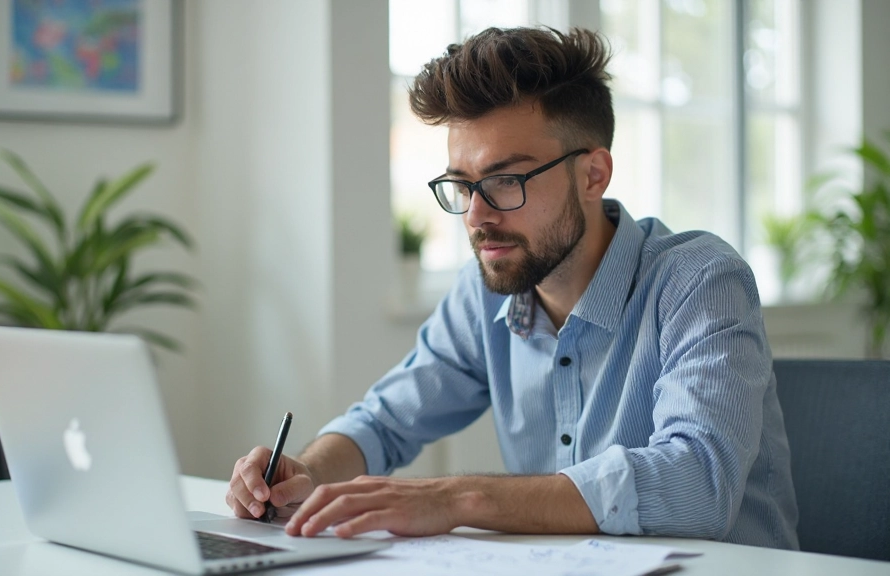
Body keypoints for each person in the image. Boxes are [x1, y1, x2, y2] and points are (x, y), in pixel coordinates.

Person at [226, 26, 798, 550]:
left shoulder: (700, 281)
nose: (476, 216)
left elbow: (698, 482)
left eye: (505, 180)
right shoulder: (487, 291)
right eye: (461, 184)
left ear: (593, 174)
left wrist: (456, 499)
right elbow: (383, 422)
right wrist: (305, 470)